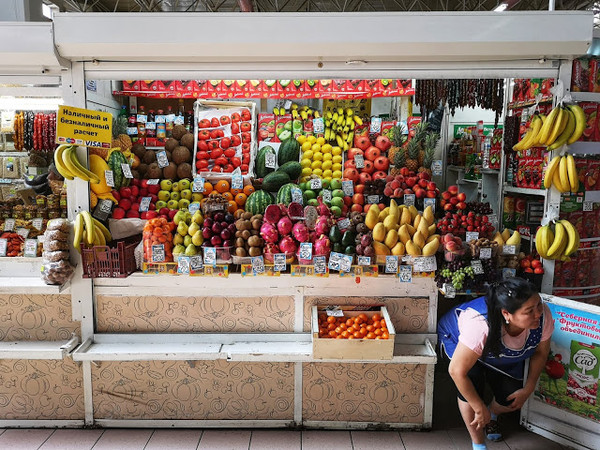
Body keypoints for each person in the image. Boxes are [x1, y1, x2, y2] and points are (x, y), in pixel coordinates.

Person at [438, 277, 553, 450]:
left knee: (512, 396)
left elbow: (541, 353)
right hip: (458, 341)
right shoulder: (479, 324)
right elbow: (456, 371)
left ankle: (492, 414)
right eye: (529, 311)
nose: (538, 313)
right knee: (471, 387)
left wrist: (529, 387)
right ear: (506, 314)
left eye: (538, 305)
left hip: (496, 352)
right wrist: (478, 407)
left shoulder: (542, 316)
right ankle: (478, 444)